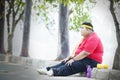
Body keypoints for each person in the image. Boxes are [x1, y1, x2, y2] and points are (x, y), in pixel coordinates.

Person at [38, 22, 104, 76]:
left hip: (92, 61)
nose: (80, 30)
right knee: (65, 61)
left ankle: (54, 72)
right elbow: (79, 49)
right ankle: (48, 69)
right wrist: (71, 57)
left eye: (82, 28)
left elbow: (85, 53)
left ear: (88, 30)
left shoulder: (93, 38)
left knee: (71, 64)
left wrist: (74, 59)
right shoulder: (85, 38)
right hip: (85, 59)